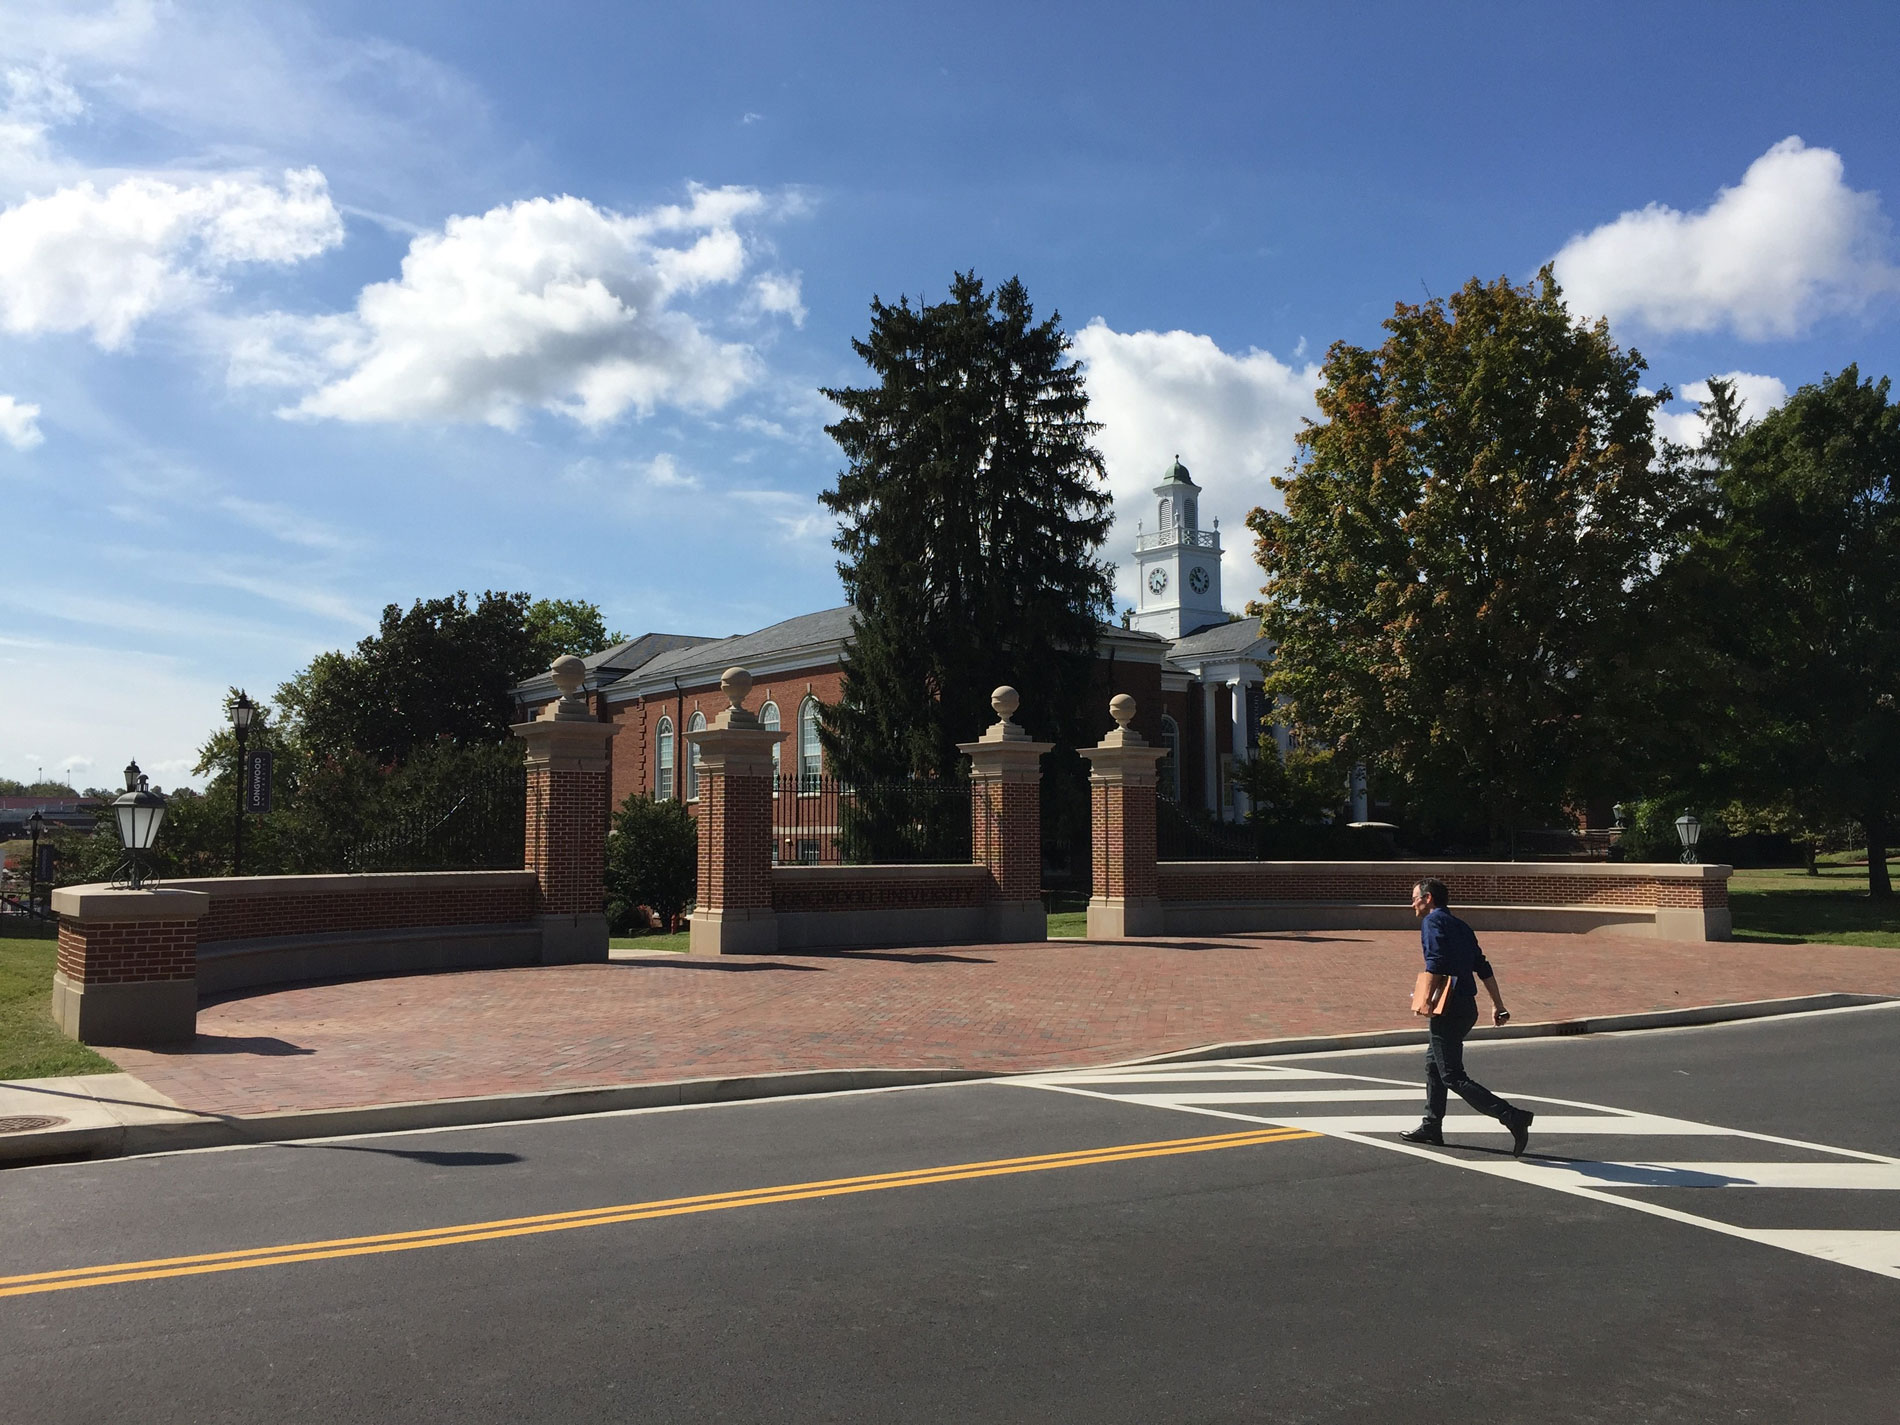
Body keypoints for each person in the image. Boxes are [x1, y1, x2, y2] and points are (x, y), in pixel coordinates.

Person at [1400, 877, 1535, 1155]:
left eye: (1415, 898)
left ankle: (1512, 1116)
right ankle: (1431, 1126)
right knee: (1434, 1065)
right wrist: (1499, 1005)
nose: (1412, 903)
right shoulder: (1461, 926)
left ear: (1428, 899)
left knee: (1452, 1075)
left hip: (1448, 1007)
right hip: (1466, 1008)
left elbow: (1435, 963)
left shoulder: (1432, 922)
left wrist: (1426, 999)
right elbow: (1482, 966)